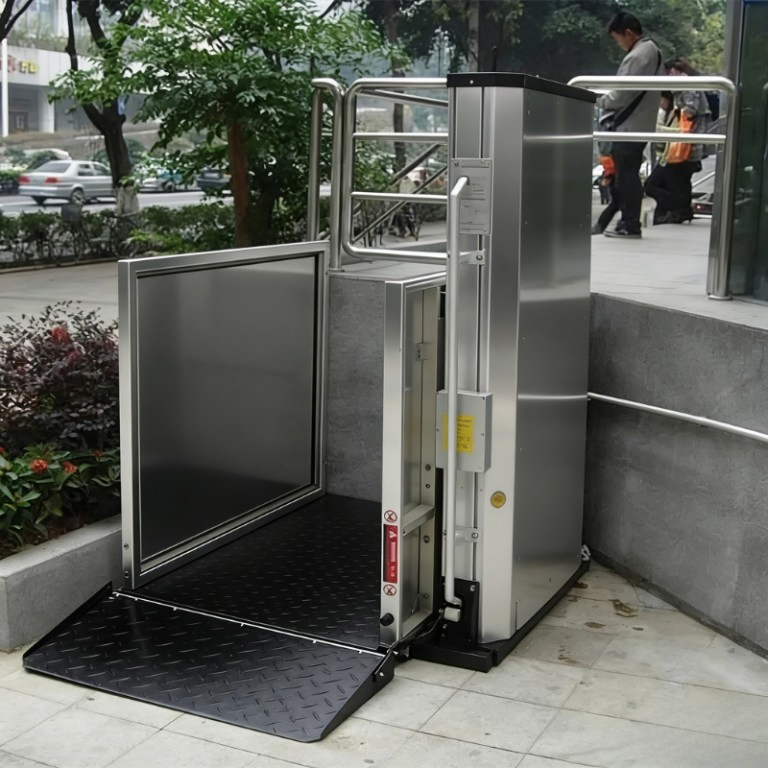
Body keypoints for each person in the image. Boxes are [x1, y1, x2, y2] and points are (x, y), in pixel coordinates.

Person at [597, 11, 663, 239]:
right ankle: (625, 220)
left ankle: (629, 223)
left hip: (630, 126)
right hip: (638, 123)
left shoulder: (639, 54)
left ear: (628, 33)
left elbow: (622, 92)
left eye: (618, 39)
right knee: (626, 174)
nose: (619, 44)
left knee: (627, 176)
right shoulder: (650, 50)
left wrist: (599, 99)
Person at [653, 57, 711, 223]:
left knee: (675, 179)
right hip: (688, 139)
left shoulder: (686, 86)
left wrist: (675, 117)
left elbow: (690, 110)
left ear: (675, 71)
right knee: (682, 180)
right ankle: (682, 210)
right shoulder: (687, 86)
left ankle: (680, 208)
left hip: (687, 139)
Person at [592, 153, 619, 235]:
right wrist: (609, 174)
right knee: (617, 202)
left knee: (617, 203)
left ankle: (600, 226)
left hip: (615, 170)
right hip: (616, 171)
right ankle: (600, 226)